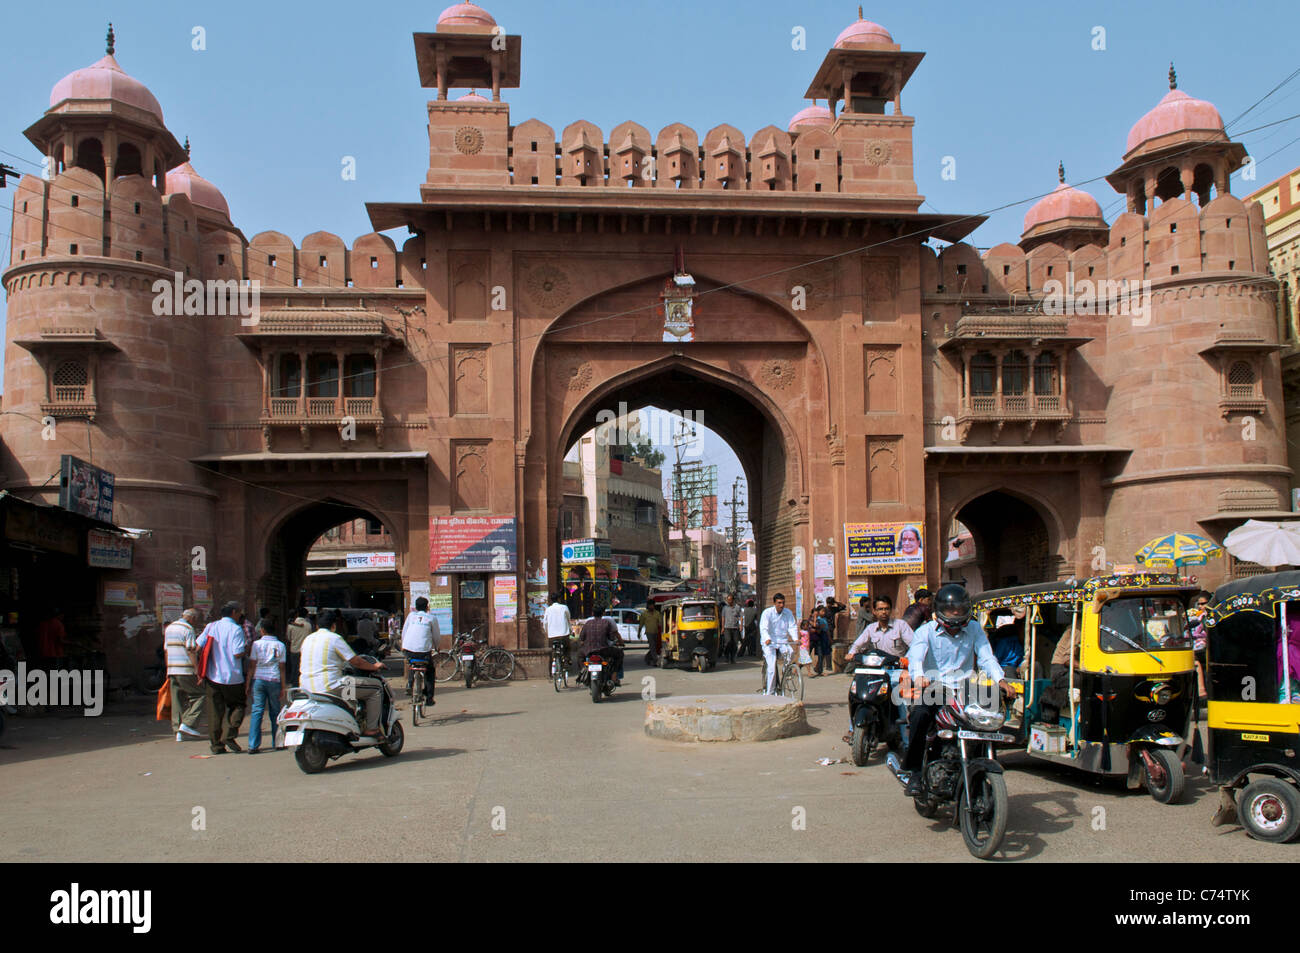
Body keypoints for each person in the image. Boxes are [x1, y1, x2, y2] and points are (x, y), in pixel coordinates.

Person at [899, 584, 1012, 797]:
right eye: (952, 610)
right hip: (935, 687)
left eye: (960, 609)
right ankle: (913, 772)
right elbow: (916, 656)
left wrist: (1001, 680)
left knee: (988, 721)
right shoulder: (926, 631)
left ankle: (981, 767)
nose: (957, 614)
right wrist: (919, 676)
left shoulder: (974, 628)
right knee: (920, 716)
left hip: (966, 689)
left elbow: (986, 656)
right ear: (941, 609)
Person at [299, 608, 388, 736]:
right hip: (330, 686)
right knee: (376, 688)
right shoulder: (334, 638)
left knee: (350, 688)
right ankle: (372, 728)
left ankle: (352, 714)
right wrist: (374, 666)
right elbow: (356, 661)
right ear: (334, 626)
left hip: (306, 687)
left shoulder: (307, 640)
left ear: (317, 625)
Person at [196, 601, 248, 754]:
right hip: (232, 676)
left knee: (214, 711)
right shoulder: (236, 629)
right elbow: (237, 653)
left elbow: (198, 646)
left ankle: (216, 746)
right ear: (233, 612)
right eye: (239, 613)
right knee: (238, 705)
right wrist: (246, 649)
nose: (240, 616)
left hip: (213, 675)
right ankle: (229, 734)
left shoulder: (211, 626)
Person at [245, 619, 286, 754]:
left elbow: (252, 666)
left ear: (262, 630)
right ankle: (278, 742)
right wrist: (283, 687)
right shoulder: (280, 645)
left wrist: (248, 683)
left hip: (258, 679)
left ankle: (253, 745)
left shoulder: (256, 644)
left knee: (257, 711)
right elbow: (282, 668)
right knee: (275, 711)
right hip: (274, 679)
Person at [164, 608, 205, 742]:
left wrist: (167, 669)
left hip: (172, 669)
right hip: (185, 669)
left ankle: (178, 731)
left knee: (177, 699)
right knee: (199, 695)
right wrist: (197, 670)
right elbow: (191, 651)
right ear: (192, 618)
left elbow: (166, 650)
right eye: (196, 619)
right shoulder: (188, 629)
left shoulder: (169, 628)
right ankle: (187, 723)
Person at [846, 595, 914, 661]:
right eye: (880, 609)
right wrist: (851, 653)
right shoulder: (870, 628)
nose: (884, 612)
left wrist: (905, 659)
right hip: (877, 665)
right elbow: (858, 644)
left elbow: (914, 645)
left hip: (897, 666)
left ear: (891, 610)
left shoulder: (901, 625)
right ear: (874, 611)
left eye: (886, 609)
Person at [401, 596, 439, 705]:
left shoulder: (411, 616)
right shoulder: (431, 618)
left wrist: (404, 645)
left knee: (412, 663)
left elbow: (404, 631)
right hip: (424, 651)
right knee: (429, 671)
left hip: (408, 649)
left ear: (416, 607)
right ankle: (429, 698)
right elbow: (436, 636)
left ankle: (409, 684)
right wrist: (436, 646)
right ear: (427, 607)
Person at [759, 593, 797, 695]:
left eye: (783, 603)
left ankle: (785, 673)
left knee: (791, 652)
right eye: (779, 603)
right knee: (771, 668)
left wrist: (796, 639)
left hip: (782, 641)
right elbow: (763, 628)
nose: (781, 605)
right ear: (774, 603)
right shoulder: (767, 613)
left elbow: (792, 627)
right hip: (770, 642)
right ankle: (770, 693)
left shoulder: (787, 613)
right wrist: (767, 638)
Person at [579, 607, 623, 686]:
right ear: (603, 613)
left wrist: (584, 643)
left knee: (579, 656)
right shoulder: (606, 622)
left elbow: (581, 637)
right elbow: (611, 638)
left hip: (589, 651)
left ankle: (583, 672)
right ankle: (614, 677)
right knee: (619, 654)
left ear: (593, 614)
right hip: (604, 650)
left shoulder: (587, 623)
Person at [544, 592, 574, 670]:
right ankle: (568, 659)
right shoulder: (564, 607)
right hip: (563, 634)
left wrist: (547, 632)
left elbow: (545, 623)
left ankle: (554, 662)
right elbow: (568, 619)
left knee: (553, 649)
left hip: (552, 636)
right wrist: (571, 630)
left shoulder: (548, 609)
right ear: (559, 599)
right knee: (567, 647)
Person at [285, 607, 312, 688]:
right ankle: (304, 686)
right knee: (304, 669)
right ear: (306, 615)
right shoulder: (308, 625)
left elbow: (288, 638)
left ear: (297, 614)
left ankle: (294, 687)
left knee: (294, 669)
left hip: (294, 650)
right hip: (305, 651)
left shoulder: (290, 626)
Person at [811, 606, 833, 676]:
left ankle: (818, 668)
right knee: (807, 655)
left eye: (824, 611)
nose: (824, 613)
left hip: (824, 637)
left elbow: (827, 630)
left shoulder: (824, 619)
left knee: (823, 654)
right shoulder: (817, 619)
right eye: (822, 611)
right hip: (817, 638)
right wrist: (820, 627)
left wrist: (829, 638)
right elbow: (816, 629)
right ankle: (797, 668)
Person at [721, 594, 742, 664]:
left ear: (733, 600)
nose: (729, 601)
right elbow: (723, 618)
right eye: (728, 600)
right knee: (728, 642)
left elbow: (741, 617)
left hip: (735, 628)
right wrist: (722, 627)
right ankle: (727, 656)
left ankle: (733, 657)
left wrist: (741, 626)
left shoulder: (737, 607)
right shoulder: (725, 608)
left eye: (730, 600)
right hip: (727, 628)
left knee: (735, 643)